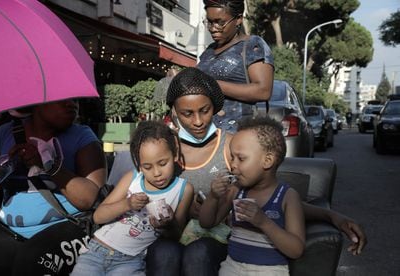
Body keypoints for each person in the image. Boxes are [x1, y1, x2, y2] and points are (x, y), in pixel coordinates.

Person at [145, 67, 367, 276]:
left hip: (218, 245)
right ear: (174, 111)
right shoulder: (163, 150)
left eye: (204, 110)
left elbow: (271, 195)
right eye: (187, 113)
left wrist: (331, 216)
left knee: (198, 253)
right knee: (162, 252)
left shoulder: (236, 146)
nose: (198, 121)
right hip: (174, 233)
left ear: (214, 106)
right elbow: (139, 187)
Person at [0, 99, 107, 275]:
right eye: (63, 98)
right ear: (37, 101)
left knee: (32, 261)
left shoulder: (83, 137)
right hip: (9, 230)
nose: (72, 104)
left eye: (75, 99)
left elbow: (92, 199)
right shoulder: (6, 133)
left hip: (71, 228)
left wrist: (48, 165)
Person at [71, 120, 193, 276]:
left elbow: (176, 235)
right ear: (138, 164)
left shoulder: (184, 189)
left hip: (131, 260)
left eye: (163, 163)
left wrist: (166, 225)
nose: (156, 173)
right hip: (97, 251)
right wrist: (127, 204)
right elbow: (97, 217)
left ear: (175, 154)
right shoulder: (133, 178)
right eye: (147, 167)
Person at [200, 116, 305, 275]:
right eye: (232, 157)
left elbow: (296, 250)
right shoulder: (237, 190)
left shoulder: (287, 197)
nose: (233, 165)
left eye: (241, 158)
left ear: (267, 160)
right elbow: (207, 223)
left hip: (270, 270)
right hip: (232, 267)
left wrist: (263, 222)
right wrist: (213, 197)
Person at [197, 0, 274, 132]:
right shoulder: (209, 51)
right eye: (209, 22)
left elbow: (263, 91)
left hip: (238, 136)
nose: (212, 28)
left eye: (220, 22)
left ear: (238, 19)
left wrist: (212, 84)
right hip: (205, 135)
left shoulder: (252, 45)